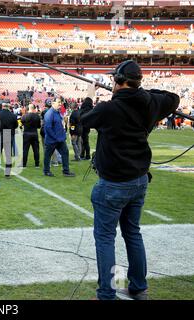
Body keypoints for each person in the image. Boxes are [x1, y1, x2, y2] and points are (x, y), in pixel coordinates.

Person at [81, 60, 180, 300]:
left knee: (105, 239)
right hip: (138, 181)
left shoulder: (108, 108)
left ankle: (107, 293)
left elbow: (82, 120)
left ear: (118, 81)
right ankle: (138, 287)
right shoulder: (150, 102)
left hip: (113, 184)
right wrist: (140, 93)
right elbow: (173, 98)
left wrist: (89, 95)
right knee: (132, 234)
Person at [43, 97, 75, 177]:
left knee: (65, 153)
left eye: (60, 102)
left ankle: (66, 171)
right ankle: (46, 171)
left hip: (60, 139)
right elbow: (48, 128)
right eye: (58, 102)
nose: (60, 104)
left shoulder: (57, 112)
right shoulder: (49, 113)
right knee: (48, 156)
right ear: (53, 103)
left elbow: (59, 125)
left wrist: (62, 135)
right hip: (52, 140)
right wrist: (55, 137)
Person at [0, 103, 18, 177]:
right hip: (8, 134)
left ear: (2, 107)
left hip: (0, 134)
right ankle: (7, 173)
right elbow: (16, 126)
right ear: (8, 107)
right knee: (8, 155)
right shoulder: (13, 115)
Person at [79, 93, 93, 160]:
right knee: (84, 141)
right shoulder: (90, 110)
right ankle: (82, 154)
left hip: (82, 127)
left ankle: (87, 155)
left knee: (85, 142)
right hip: (87, 127)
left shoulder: (83, 109)